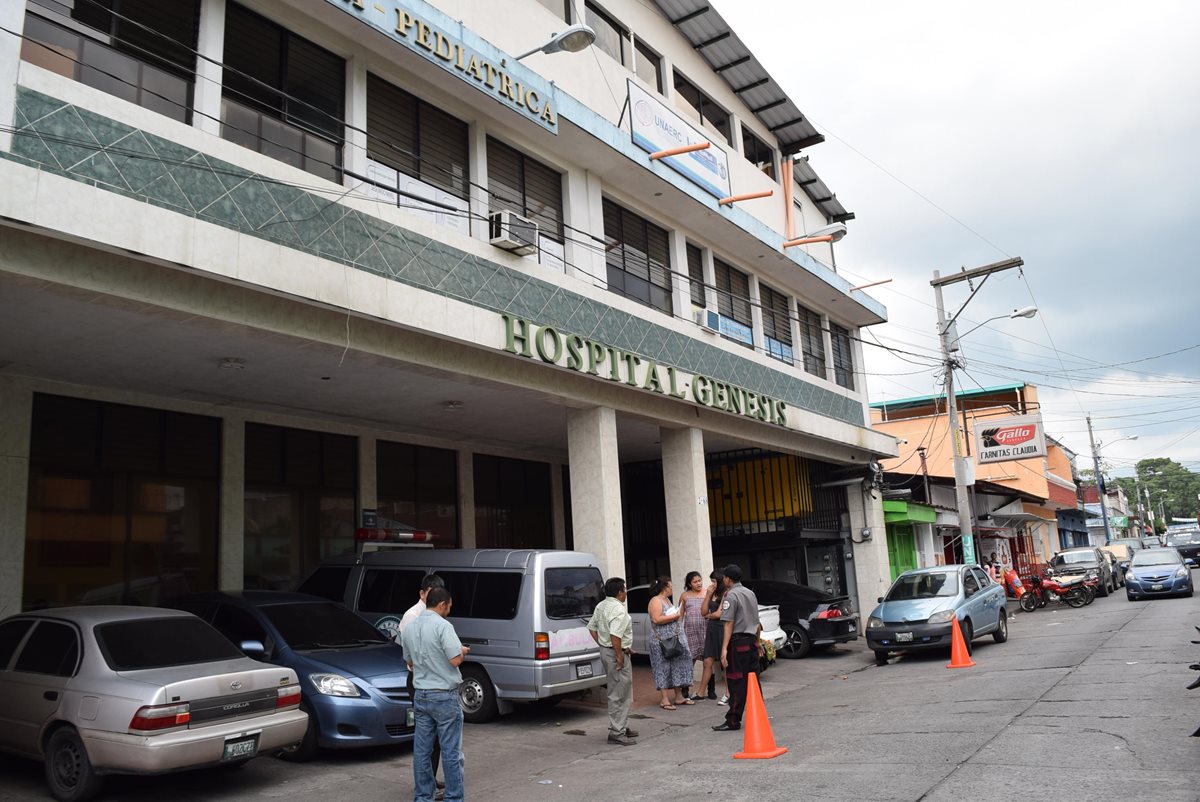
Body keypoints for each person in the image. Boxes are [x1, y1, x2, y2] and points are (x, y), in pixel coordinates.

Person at [401, 587, 469, 802]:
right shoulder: (443, 626)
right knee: (450, 751)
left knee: (422, 751)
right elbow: (455, 660)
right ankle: (453, 798)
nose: (449, 609)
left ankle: (423, 797)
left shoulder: (410, 628)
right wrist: (463, 650)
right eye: (449, 606)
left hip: (421, 694)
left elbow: (409, 661)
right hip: (444, 696)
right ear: (441, 605)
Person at [400, 575, 445, 797]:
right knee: (426, 737)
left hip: (435, 681)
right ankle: (424, 787)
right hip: (420, 682)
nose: (435, 596)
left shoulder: (437, 614)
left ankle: (430, 780)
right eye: (431, 591)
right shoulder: (412, 616)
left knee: (436, 738)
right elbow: (410, 657)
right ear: (422, 593)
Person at [586, 577, 638, 746]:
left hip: (609, 650)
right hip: (615, 653)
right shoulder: (618, 609)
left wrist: (603, 644)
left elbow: (592, 628)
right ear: (619, 593)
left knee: (621, 689)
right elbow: (615, 635)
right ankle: (617, 731)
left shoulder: (601, 605)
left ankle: (622, 725)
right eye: (624, 590)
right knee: (618, 692)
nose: (626, 593)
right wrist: (618, 654)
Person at [712, 563, 760, 732]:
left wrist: (724, 649)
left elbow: (728, 623)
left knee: (736, 681)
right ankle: (758, 715)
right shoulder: (750, 593)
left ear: (728, 579)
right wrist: (758, 642)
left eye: (724, 577)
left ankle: (733, 719)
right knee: (753, 680)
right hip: (752, 641)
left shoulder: (730, 596)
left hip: (738, 642)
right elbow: (757, 621)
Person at [647, 576, 693, 710]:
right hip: (660, 641)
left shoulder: (666, 600)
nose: (672, 589)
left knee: (675, 666)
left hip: (672, 639)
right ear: (664, 588)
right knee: (662, 667)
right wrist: (675, 616)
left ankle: (679, 696)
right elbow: (656, 619)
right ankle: (664, 699)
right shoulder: (655, 601)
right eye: (670, 586)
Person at [696, 570, 727, 702]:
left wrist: (710, 615)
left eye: (714, 581)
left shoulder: (726, 593)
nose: (712, 583)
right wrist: (708, 594)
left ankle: (728, 693)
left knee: (725, 663)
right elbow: (703, 611)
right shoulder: (711, 593)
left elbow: (719, 614)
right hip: (712, 629)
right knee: (707, 661)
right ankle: (700, 692)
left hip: (723, 628)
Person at [679, 571, 708, 701]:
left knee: (708, 660)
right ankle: (685, 688)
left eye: (699, 580)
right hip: (689, 632)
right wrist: (678, 632)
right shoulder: (684, 596)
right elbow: (679, 615)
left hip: (705, 631)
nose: (698, 583)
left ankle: (710, 689)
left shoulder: (708, 593)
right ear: (689, 584)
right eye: (695, 582)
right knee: (688, 660)